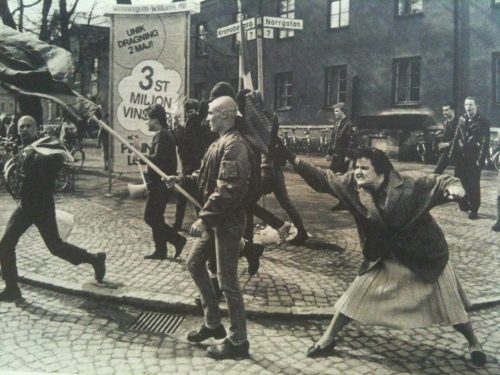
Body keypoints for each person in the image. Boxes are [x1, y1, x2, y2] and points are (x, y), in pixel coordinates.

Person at [270, 141, 486, 367]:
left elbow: (444, 181)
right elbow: (323, 179)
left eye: (364, 168)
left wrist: (456, 190)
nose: (358, 172)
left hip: (424, 254)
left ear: (381, 172)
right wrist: (291, 157)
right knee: (356, 295)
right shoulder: (352, 185)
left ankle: (473, 343)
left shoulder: (409, 183)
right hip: (383, 255)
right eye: (356, 167)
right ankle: (328, 339)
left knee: (449, 304)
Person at [168, 96, 253, 359]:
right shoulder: (218, 143)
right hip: (216, 220)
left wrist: (204, 218)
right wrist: (180, 179)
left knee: (228, 282)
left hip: (226, 222)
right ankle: (213, 324)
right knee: (194, 264)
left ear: (226, 115)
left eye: (211, 113)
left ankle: (239, 341)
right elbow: (202, 176)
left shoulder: (235, 146)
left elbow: (229, 189)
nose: (207, 118)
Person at [0, 115, 106, 302]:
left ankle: (95, 259)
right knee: (6, 245)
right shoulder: (23, 149)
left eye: (28, 126)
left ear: (36, 128)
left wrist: (33, 162)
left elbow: (55, 167)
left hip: (41, 206)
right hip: (25, 205)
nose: (24, 129)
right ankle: (12, 288)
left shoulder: (47, 146)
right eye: (21, 126)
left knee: (56, 247)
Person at [140, 104, 186, 260]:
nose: (147, 123)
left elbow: (158, 160)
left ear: (156, 120)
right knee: (156, 217)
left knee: (150, 217)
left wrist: (140, 157)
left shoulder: (162, 135)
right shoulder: (163, 134)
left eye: (149, 119)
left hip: (161, 184)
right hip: (160, 183)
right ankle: (161, 250)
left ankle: (177, 240)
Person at [449, 97, 490, 220]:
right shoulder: (462, 119)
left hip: (474, 157)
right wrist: (451, 152)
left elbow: (484, 142)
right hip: (461, 157)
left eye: (471, 104)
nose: (468, 107)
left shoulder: (483, 121)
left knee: (473, 184)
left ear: (476, 106)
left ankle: (474, 209)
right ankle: (464, 203)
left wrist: (480, 159)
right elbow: (456, 137)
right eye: (466, 104)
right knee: (460, 181)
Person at [172, 99, 207, 232]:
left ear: (195, 111)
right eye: (187, 112)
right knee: (188, 196)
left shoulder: (194, 122)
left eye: (190, 111)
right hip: (190, 165)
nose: (188, 115)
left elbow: (184, 140)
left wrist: (177, 128)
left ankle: (202, 222)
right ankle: (181, 223)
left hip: (191, 165)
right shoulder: (195, 122)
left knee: (190, 196)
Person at [326, 102, 354, 211]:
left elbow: (352, 141)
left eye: (337, 111)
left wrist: (348, 155)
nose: (335, 113)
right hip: (336, 155)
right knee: (332, 179)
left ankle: (344, 202)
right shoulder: (337, 123)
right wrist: (329, 152)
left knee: (338, 179)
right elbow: (333, 139)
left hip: (343, 156)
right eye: (334, 111)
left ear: (343, 112)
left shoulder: (348, 124)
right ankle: (343, 200)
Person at [434, 103, 459, 174]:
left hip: (458, 152)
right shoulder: (445, 123)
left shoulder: (459, 122)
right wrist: (441, 144)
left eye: (446, 110)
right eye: (443, 110)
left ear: (453, 110)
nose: (444, 112)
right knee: (436, 172)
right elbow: (445, 137)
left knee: (459, 175)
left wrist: (447, 144)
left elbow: (461, 139)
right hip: (447, 152)